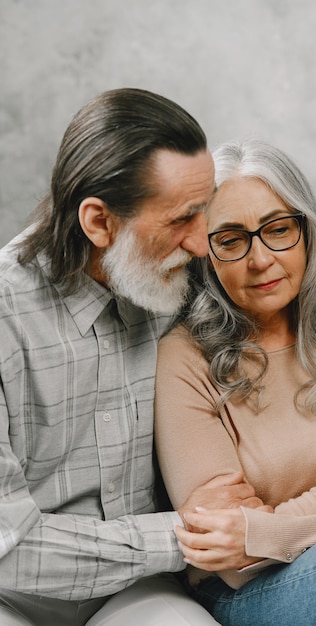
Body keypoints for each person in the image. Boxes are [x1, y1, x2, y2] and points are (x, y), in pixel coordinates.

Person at [0, 88, 269, 626]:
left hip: (134, 590)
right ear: (98, 222)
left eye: (207, 210)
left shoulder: (178, 275)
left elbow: (282, 313)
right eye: (181, 219)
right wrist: (187, 532)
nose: (201, 244)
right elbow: (7, 548)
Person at [155, 138, 316, 625]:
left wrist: (269, 531)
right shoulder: (185, 358)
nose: (260, 259)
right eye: (231, 240)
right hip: (252, 596)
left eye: (278, 230)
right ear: (204, 254)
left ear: (307, 234)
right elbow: (230, 557)